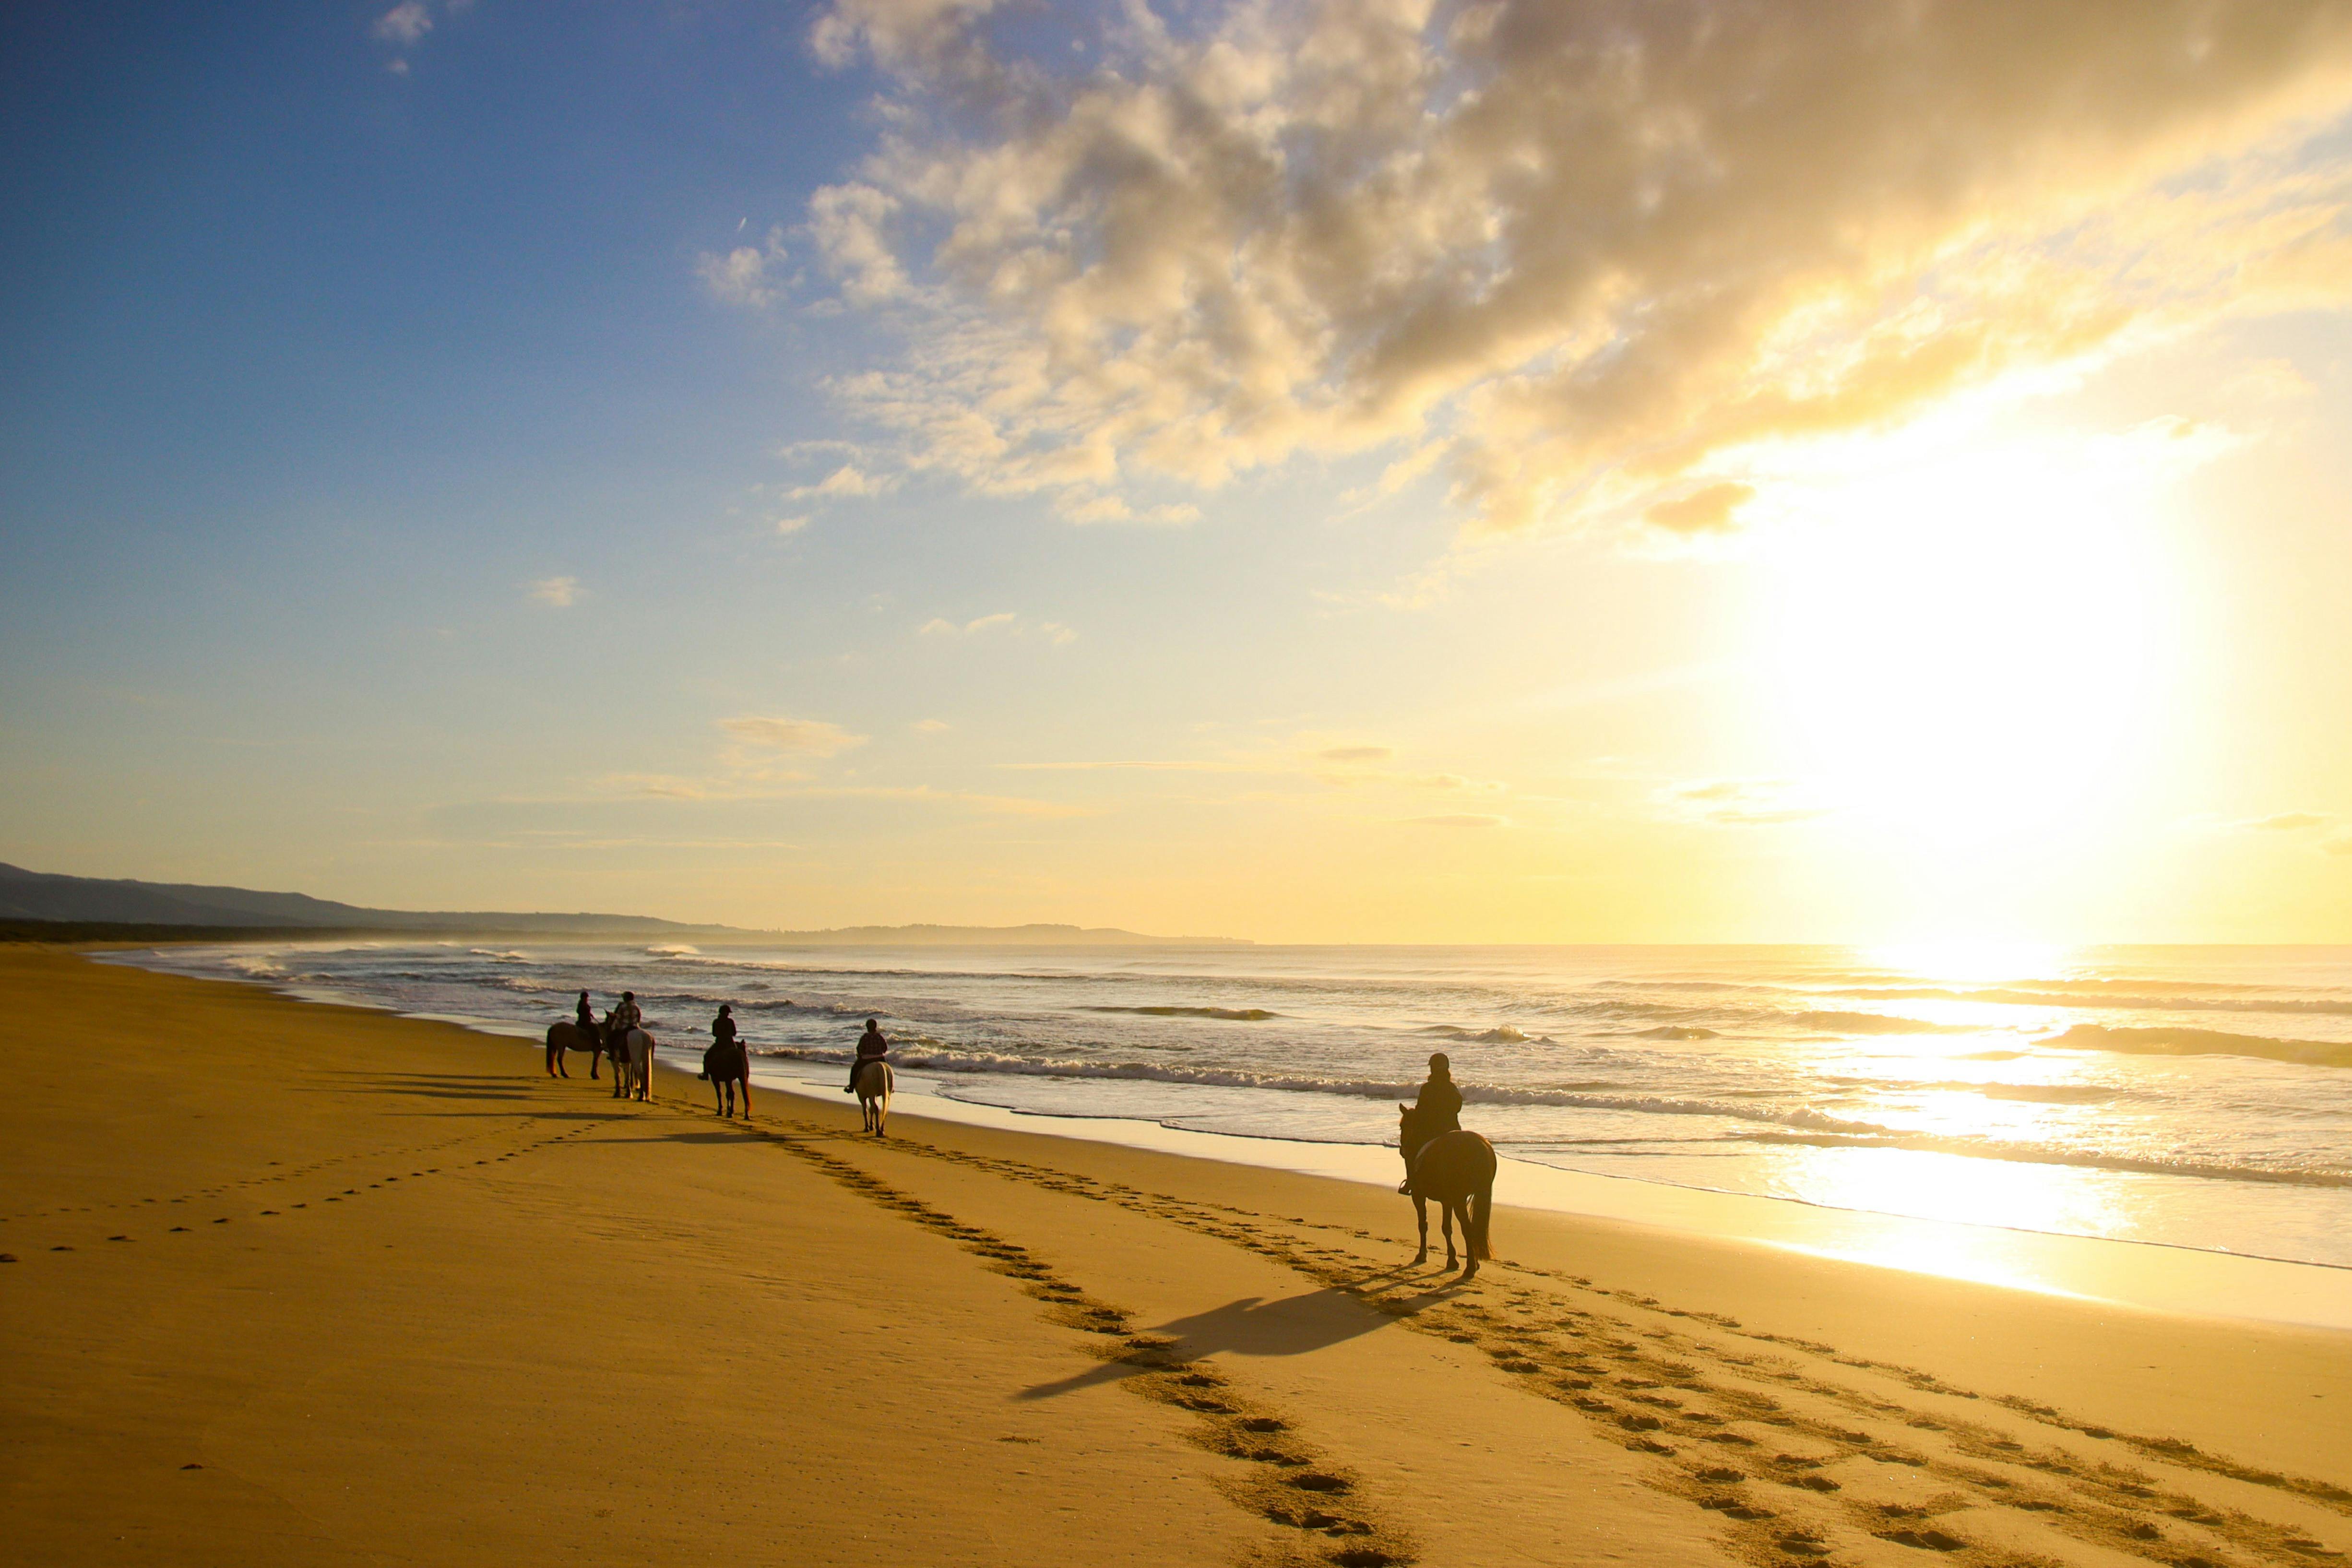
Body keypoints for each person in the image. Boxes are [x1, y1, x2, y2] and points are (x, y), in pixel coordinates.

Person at [1399, 1052, 1463, 1194]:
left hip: (1432, 1132)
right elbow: (1458, 1107)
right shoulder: (1452, 1088)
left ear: (1433, 1069)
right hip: (1453, 1130)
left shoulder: (1427, 1088)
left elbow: (1421, 1111)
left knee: (1410, 1149)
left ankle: (1411, 1182)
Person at [844, 1017, 887, 1093]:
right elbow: (885, 1048)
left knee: (854, 1070)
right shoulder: (879, 1036)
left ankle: (851, 1087)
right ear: (875, 1027)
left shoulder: (865, 1037)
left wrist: (861, 1056)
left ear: (867, 1027)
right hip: (880, 1058)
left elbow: (859, 1048)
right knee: (888, 1071)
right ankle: (890, 1087)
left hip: (867, 1059)